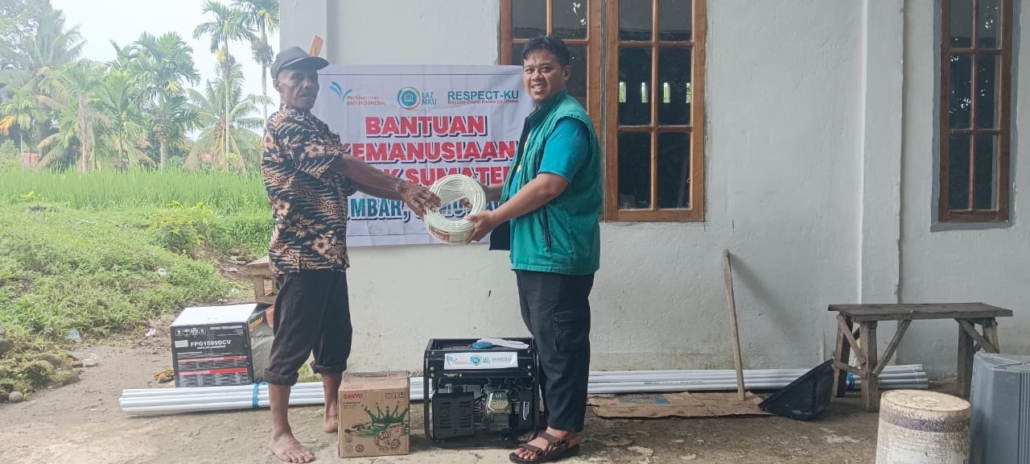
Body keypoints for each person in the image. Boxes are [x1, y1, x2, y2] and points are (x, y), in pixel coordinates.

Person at [261, 46, 440, 464]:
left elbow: (351, 180)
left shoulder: (317, 127)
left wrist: (406, 195)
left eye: (312, 77)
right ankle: (279, 433)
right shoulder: (286, 125)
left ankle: (333, 411)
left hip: (330, 253)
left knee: (336, 335)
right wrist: (402, 186)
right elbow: (343, 165)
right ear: (278, 84)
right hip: (300, 254)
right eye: (297, 77)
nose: (307, 84)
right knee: (292, 343)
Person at [465, 35, 602, 463]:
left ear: (565, 72)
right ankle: (557, 421)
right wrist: (482, 192)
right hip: (535, 252)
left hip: (556, 254)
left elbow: (549, 185)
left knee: (560, 345)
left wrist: (493, 218)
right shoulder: (542, 120)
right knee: (548, 342)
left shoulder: (567, 123)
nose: (536, 76)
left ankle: (563, 432)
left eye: (546, 68)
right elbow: (524, 183)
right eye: (529, 69)